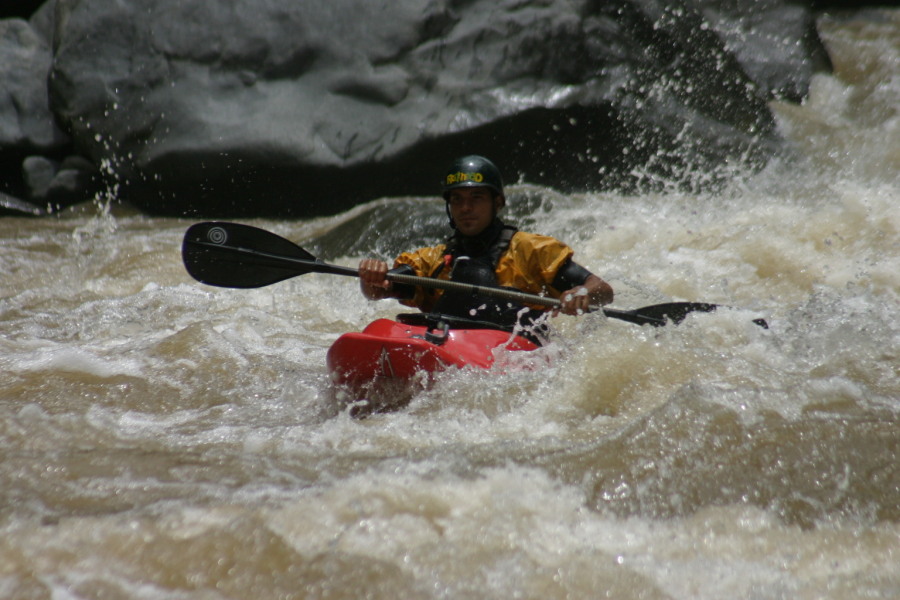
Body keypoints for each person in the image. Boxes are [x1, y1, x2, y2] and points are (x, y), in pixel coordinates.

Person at [358, 155, 613, 335]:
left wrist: (582, 294)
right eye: (457, 200)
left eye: (476, 198)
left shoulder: (532, 250)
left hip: (516, 348)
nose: (466, 208)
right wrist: (373, 278)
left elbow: (602, 289)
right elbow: (381, 289)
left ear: (498, 202)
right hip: (453, 341)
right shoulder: (432, 260)